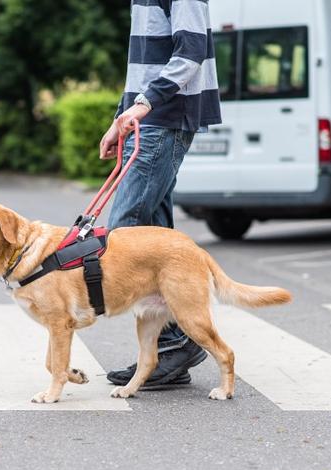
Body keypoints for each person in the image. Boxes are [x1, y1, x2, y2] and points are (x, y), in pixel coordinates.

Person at [100, 0, 222, 389]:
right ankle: (170, 349)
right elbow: (143, 68)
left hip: (162, 119)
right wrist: (120, 118)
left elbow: (191, 52)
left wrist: (142, 106)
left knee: (123, 235)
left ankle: (176, 345)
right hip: (149, 119)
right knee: (156, 233)